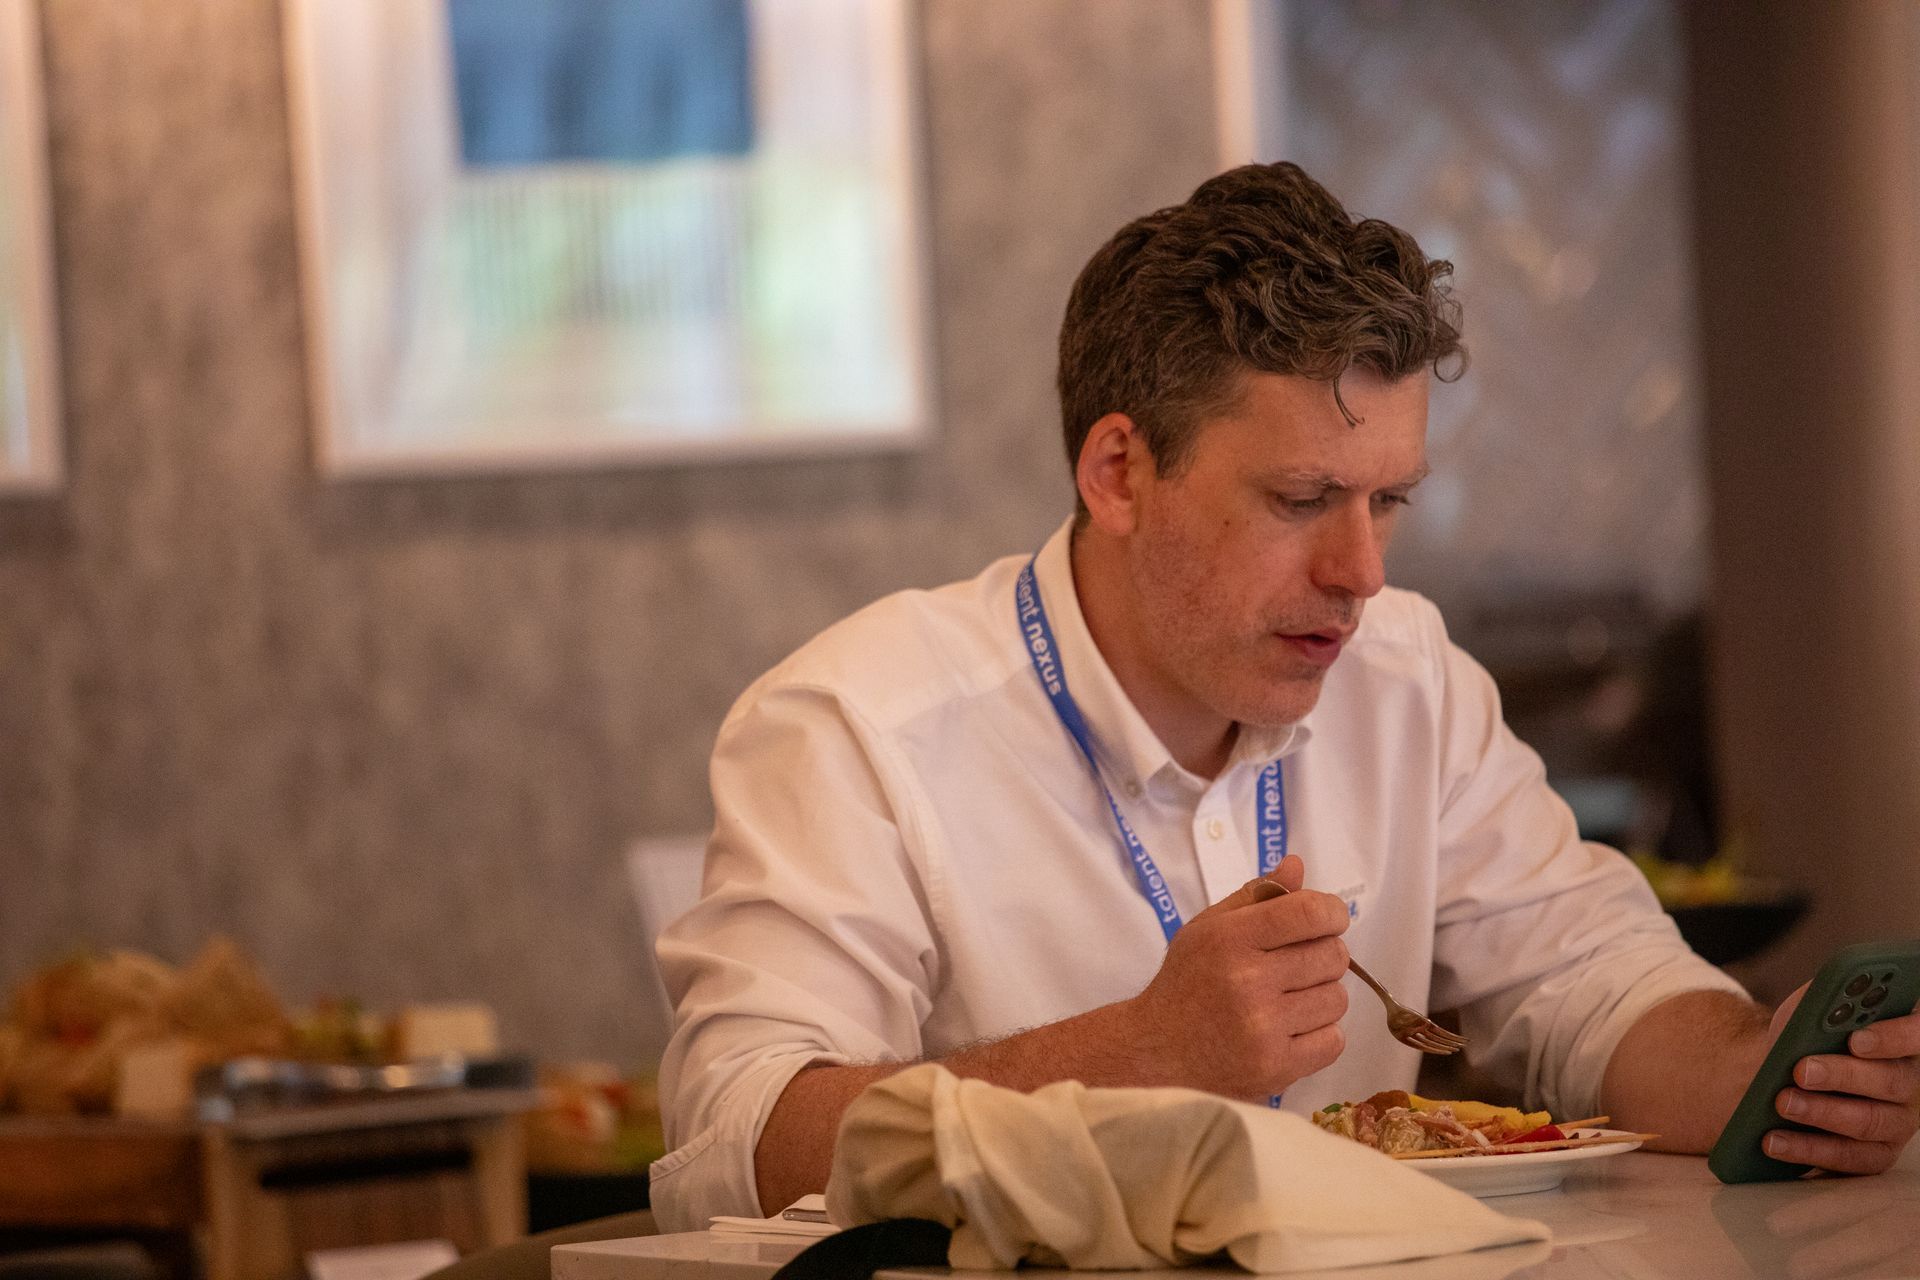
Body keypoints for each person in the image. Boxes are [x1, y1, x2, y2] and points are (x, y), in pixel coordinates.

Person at [649, 162, 1920, 1231]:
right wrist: (1140, 1051)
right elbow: (733, 1138)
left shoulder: (1406, 673)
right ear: (1118, 469)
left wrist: (1763, 1072)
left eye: (1389, 503)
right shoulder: (852, 724)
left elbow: (1588, 977)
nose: (1360, 574)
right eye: (1302, 501)